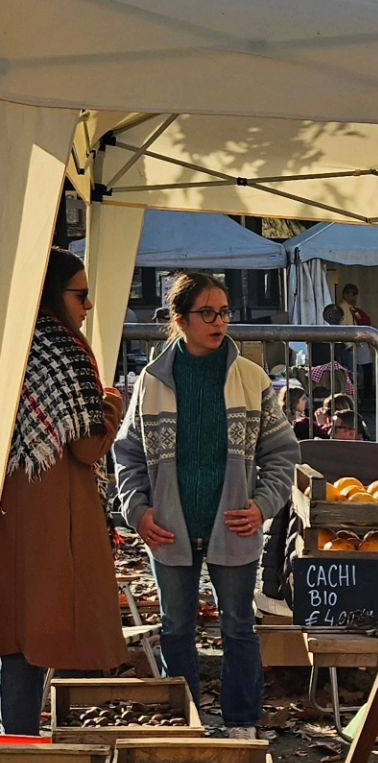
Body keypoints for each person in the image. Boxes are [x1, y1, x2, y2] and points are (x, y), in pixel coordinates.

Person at [114, 272, 300, 738]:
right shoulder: (151, 383)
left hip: (235, 524)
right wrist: (138, 511)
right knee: (176, 629)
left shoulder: (251, 378)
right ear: (180, 320)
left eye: (224, 312)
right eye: (208, 313)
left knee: (239, 626)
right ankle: (187, 722)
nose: (220, 322)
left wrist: (262, 505)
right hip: (169, 527)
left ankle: (242, 722)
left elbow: (282, 453)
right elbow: (128, 454)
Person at [0, 248, 129, 734]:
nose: (89, 306)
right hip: (49, 511)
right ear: (56, 294)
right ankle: (20, 759)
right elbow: (88, 444)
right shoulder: (63, 348)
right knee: (36, 637)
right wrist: (111, 403)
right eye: (81, 294)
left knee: (15, 638)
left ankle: (15, 752)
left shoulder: (14, 340)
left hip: (14, 501)